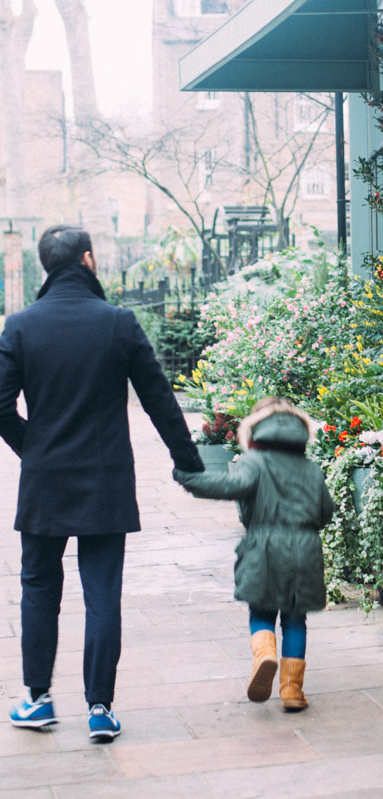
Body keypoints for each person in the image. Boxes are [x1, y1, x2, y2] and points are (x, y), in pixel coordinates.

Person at [0, 225, 205, 740]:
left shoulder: (20, 327)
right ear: (88, 260)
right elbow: (158, 397)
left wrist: (36, 451)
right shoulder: (117, 323)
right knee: (102, 593)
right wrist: (190, 465)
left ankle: (38, 700)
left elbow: (1, 408)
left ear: (47, 267)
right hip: (105, 481)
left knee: (39, 587)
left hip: (45, 482)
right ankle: (100, 709)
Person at [174, 396, 334, 711]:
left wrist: (188, 478)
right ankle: (291, 691)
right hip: (305, 548)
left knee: (261, 612)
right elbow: (325, 511)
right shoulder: (311, 468)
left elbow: (229, 486)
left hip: (264, 546)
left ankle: (265, 655)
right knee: (295, 619)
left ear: (257, 430)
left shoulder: (254, 462)